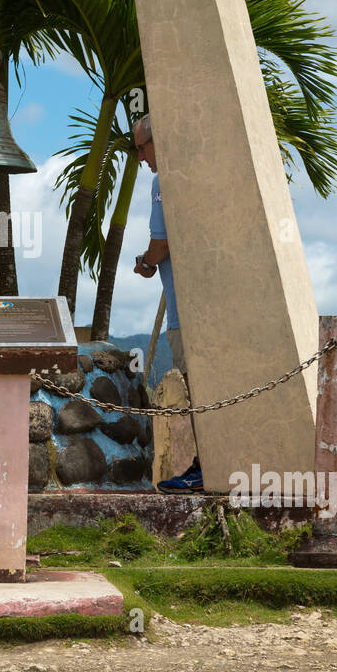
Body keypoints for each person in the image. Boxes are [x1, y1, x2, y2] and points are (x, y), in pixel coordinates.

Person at [133, 113, 203, 493]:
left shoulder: (164, 181)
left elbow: (161, 244)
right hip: (206, 309)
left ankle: (203, 469)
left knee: (198, 392)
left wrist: (145, 263)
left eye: (142, 147)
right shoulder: (196, 175)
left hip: (184, 314)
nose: (141, 157)